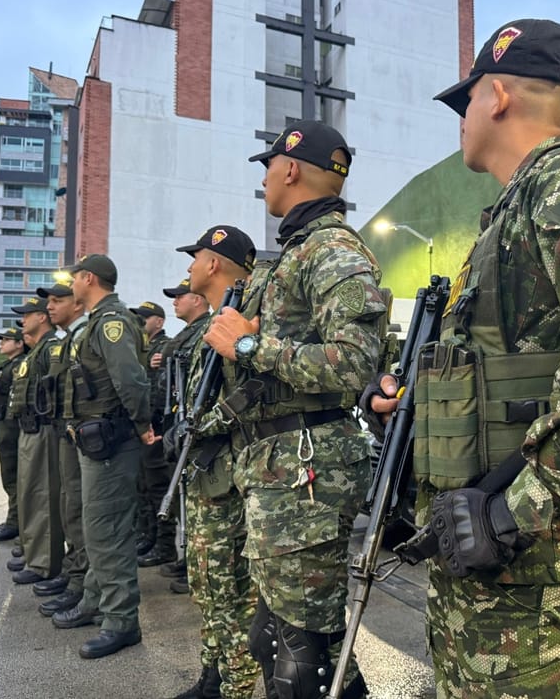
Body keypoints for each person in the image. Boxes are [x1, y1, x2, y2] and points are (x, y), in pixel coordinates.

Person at [364, 19, 560, 698]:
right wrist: (409, 402)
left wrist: (515, 509)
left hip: (536, 569)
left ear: (497, 95)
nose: (463, 119)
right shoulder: (508, 216)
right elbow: (496, 368)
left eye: (466, 102)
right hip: (490, 561)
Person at [205, 120, 386, 699]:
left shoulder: (332, 249)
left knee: (300, 652)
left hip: (308, 474)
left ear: (287, 169)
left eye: (267, 170)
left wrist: (251, 345)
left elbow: (354, 363)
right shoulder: (297, 253)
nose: (265, 182)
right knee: (291, 639)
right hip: (283, 469)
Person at [169, 225, 259, 698]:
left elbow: (251, 394)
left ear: (215, 263)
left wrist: (201, 426)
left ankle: (238, 685)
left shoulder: (241, 320)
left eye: (195, 256)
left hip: (231, 477)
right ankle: (213, 673)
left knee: (234, 591)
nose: (189, 267)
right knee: (206, 583)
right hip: (205, 473)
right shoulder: (209, 326)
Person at [52, 253, 155, 660]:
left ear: (89, 278)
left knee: (108, 531)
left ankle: (121, 622)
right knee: (98, 530)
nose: (71, 284)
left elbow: (130, 378)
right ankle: (96, 601)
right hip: (95, 440)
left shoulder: (111, 323)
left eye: (74, 277)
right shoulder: (97, 321)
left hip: (112, 440)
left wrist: (143, 423)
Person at [139, 279, 212, 575]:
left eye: (180, 296)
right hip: (171, 423)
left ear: (197, 299)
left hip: (188, 424)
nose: (175, 302)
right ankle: (184, 556)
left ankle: (191, 560)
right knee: (172, 490)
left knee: (190, 495)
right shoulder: (187, 332)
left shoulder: (204, 329)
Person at [34, 280, 90, 616]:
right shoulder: (68, 340)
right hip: (65, 432)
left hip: (85, 435)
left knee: (79, 509)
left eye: (57, 300)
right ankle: (74, 572)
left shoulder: (86, 335)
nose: (49, 307)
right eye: (49, 302)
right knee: (68, 505)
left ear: (77, 303)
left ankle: (81, 580)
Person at [7, 296, 65, 588]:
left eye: (27, 314)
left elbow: (56, 390)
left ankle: (45, 563)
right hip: (29, 429)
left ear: (42, 317)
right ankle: (34, 553)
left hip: (43, 430)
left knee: (42, 496)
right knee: (30, 494)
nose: (23, 320)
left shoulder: (51, 348)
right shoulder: (37, 350)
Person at [129, 300, 170, 559]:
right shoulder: (141, 348)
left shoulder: (165, 346)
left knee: (157, 485)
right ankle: (148, 535)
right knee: (143, 484)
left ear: (159, 321)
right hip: (143, 423)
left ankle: (164, 545)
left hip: (157, 424)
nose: (140, 323)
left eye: (145, 318)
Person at [0, 326, 26, 543]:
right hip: (4, 426)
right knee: (9, 477)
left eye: (7, 339)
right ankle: (13, 520)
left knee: (14, 477)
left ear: (19, 344)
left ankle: (15, 522)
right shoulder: (10, 365)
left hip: (12, 428)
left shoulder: (21, 365)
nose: (2, 342)